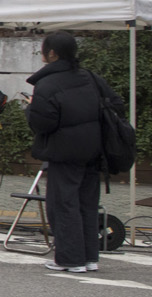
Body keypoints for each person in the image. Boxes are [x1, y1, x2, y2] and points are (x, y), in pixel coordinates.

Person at [28, 31, 115, 274]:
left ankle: (69, 259)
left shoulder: (47, 84)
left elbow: (42, 123)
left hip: (64, 152)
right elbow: (114, 104)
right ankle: (89, 257)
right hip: (95, 149)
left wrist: (30, 111)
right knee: (87, 204)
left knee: (63, 204)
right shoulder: (90, 77)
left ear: (52, 53)